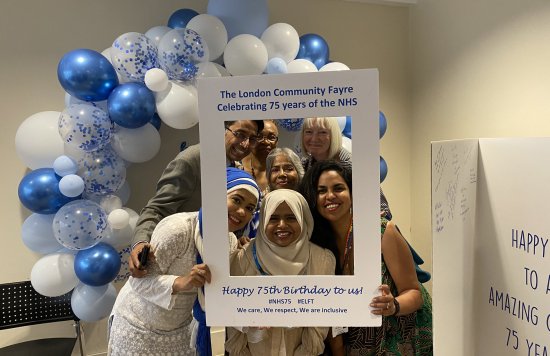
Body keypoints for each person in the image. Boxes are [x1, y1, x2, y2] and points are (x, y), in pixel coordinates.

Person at [108, 168, 261, 356]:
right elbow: (139, 282)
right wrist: (182, 281)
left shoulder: (229, 243)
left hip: (180, 332)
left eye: (250, 208)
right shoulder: (178, 229)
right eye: (236, 200)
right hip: (138, 328)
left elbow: (218, 291)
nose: (241, 211)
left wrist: (253, 316)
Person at [299, 161, 433, 355]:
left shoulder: (381, 230)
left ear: (353, 194)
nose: (330, 196)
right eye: (321, 191)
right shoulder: (314, 244)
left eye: (338, 188)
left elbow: (413, 292)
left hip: (399, 336)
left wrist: (393, 304)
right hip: (353, 342)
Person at [129, 119, 264, 277]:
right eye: (240, 134)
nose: (245, 144)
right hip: (175, 263)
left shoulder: (234, 166)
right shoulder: (192, 160)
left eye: (252, 139)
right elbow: (158, 208)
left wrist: (236, 240)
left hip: (206, 266)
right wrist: (141, 243)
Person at [226, 189, 336, 355]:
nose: (282, 225)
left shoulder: (322, 260)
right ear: (263, 220)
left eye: (291, 218)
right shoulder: (242, 259)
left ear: (303, 219)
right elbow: (235, 330)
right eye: (273, 218)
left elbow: (318, 327)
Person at [241, 120, 279, 194]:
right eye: (259, 136)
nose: (266, 142)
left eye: (271, 137)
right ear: (251, 139)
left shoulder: (281, 172)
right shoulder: (236, 167)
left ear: (277, 142)